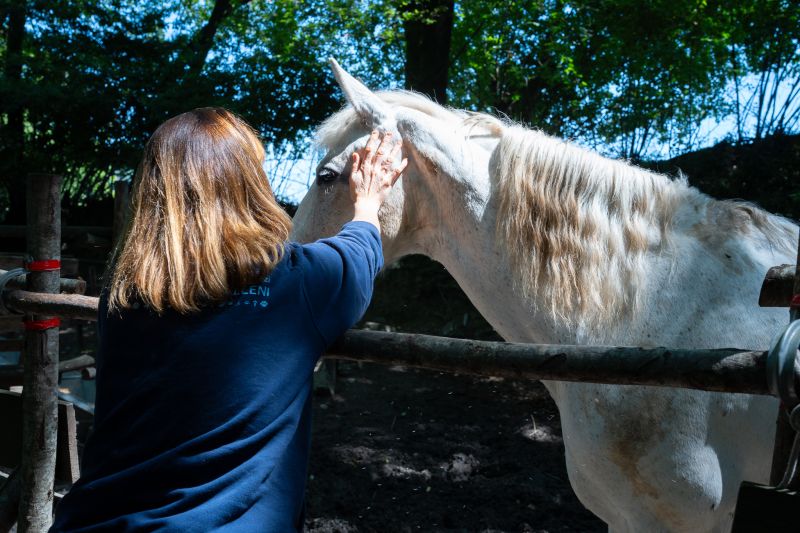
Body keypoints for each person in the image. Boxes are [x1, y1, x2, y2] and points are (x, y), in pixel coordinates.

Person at [50, 107, 406, 532]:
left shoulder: (127, 290)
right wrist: (365, 204)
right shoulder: (297, 282)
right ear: (249, 185)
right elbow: (359, 258)